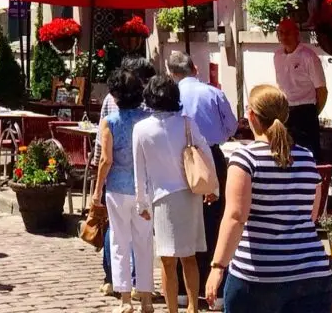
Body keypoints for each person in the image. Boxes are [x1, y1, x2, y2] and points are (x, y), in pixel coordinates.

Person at [203, 85, 332, 313]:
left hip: (259, 273)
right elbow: (312, 215)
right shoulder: (306, 156)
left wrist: (217, 266)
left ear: (251, 116)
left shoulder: (245, 158)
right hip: (311, 269)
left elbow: (235, 217)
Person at [134, 75, 214, 313]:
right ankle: (192, 307)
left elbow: (139, 171)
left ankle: (172, 309)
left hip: (162, 198)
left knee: (167, 261)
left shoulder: (141, 128)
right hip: (189, 194)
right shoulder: (188, 122)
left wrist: (141, 203)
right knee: (189, 256)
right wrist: (213, 188)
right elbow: (206, 154)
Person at [167, 51, 237, 305]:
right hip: (211, 158)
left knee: (182, 220)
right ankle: (214, 289)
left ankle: (184, 290)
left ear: (171, 73)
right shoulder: (213, 92)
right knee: (214, 220)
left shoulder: (172, 95)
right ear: (195, 68)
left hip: (179, 158)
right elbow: (231, 126)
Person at [93, 57, 158, 297]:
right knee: (144, 242)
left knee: (120, 242)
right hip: (144, 187)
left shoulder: (110, 122)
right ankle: (146, 296)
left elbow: (105, 159)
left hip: (118, 187)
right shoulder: (147, 118)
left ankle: (125, 297)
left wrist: (97, 190)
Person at [273, 18, 327, 158]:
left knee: (308, 153)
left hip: (305, 110)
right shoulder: (277, 56)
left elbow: (321, 90)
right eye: (281, 33)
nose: (285, 36)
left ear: (297, 34)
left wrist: (313, 113)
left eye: (288, 32)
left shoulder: (308, 56)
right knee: (287, 154)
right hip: (285, 111)